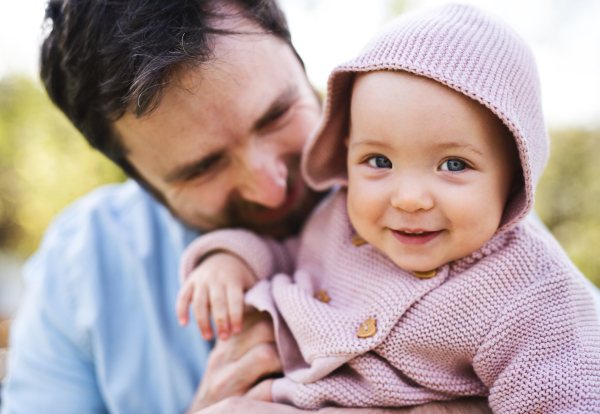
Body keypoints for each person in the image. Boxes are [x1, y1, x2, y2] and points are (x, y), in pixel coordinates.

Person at [0, 0, 597, 413]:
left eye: (277, 114)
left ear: (298, 59)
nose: (271, 187)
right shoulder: (80, 265)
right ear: (136, 175)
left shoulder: (456, 218)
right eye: (202, 167)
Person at [177, 4, 600, 412]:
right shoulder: (339, 217)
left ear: (515, 176)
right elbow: (286, 254)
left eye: (454, 165)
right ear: (346, 151)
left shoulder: (530, 292)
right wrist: (228, 260)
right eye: (379, 161)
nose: (408, 198)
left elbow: (565, 396)